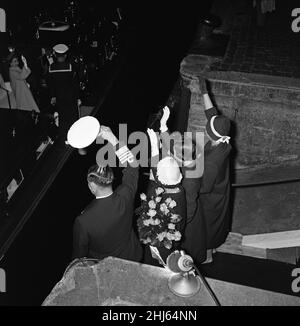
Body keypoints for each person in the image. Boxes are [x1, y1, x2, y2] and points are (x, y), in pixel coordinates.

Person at [72, 126, 143, 263]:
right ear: (110, 179)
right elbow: (133, 165)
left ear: (92, 186)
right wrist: (113, 139)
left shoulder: (83, 221)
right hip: (132, 256)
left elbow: (78, 258)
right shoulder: (125, 195)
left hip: (108, 269)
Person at [158, 106, 207, 265]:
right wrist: (163, 126)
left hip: (187, 219)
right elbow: (173, 148)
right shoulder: (189, 157)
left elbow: (190, 208)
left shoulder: (191, 178)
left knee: (188, 250)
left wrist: (178, 224)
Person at [141, 128, 187, 266]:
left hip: (161, 243)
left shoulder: (156, 194)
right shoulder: (180, 189)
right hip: (177, 236)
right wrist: (157, 145)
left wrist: (155, 147)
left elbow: (155, 177)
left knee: (161, 263)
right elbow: (160, 173)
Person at [200, 78, 232, 263]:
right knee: (217, 224)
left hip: (211, 197)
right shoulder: (222, 139)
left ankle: (207, 256)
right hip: (221, 189)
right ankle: (212, 248)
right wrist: (204, 91)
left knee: (209, 225)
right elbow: (212, 114)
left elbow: (203, 187)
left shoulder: (212, 161)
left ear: (209, 133)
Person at [47, 44, 81, 145]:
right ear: (65, 55)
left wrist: (53, 96)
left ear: (55, 55)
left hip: (59, 97)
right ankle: (75, 138)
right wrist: (78, 97)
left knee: (63, 118)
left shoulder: (51, 68)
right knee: (73, 117)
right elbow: (75, 84)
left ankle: (65, 139)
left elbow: (50, 84)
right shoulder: (70, 66)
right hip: (70, 96)